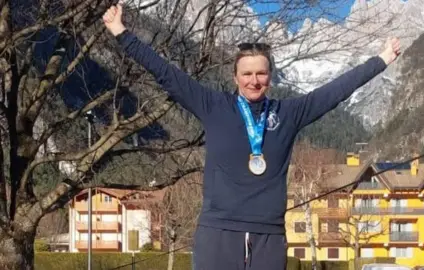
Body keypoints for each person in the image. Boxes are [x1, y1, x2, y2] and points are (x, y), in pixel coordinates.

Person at [102, 4, 400, 270]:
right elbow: (165, 73)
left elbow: (336, 91)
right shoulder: (213, 106)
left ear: (270, 77)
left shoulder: (289, 114)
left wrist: (382, 60)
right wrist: (120, 32)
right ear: (235, 77)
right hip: (218, 231)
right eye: (246, 74)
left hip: (268, 235)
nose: (253, 81)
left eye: (260, 74)